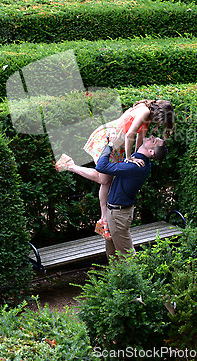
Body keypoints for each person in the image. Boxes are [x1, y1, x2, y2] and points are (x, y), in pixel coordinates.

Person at [57, 99, 174, 239]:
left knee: (106, 181)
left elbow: (140, 136)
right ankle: (69, 165)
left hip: (118, 144)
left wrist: (136, 156)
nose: (156, 123)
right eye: (158, 120)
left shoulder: (147, 114)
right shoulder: (145, 111)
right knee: (103, 178)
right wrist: (129, 158)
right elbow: (130, 134)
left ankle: (104, 220)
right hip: (109, 138)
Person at [56, 135, 168, 260]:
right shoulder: (137, 158)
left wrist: (110, 145)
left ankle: (134, 278)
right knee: (112, 253)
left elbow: (101, 167)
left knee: (127, 256)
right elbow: (138, 134)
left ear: (151, 151)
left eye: (154, 141)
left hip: (118, 215)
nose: (152, 137)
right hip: (115, 212)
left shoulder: (136, 166)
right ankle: (116, 277)